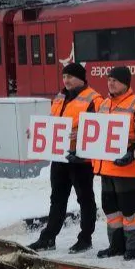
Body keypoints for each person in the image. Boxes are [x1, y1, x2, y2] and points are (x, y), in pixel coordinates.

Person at [29, 62, 103, 253]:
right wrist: (38, 132)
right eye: (64, 76)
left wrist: (82, 135)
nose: (66, 80)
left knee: (85, 200)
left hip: (81, 159)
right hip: (60, 157)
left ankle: (85, 238)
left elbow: (101, 128)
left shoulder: (94, 99)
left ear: (81, 78)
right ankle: (48, 238)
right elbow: (52, 121)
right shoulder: (60, 97)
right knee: (57, 199)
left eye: (70, 76)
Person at [92, 66, 135, 260]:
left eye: (115, 80)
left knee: (130, 210)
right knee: (111, 209)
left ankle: (133, 247)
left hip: (128, 169)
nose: (111, 83)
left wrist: (132, 153)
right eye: (109, 80)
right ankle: (116, 245)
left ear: (126, 83)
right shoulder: (104, 104)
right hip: (107, 167)